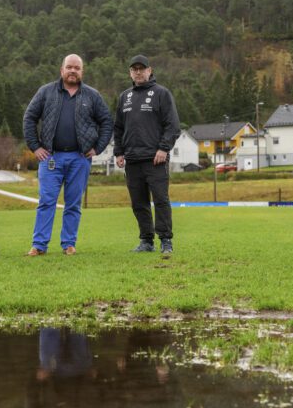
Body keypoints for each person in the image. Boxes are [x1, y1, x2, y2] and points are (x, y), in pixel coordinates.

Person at [23, 54, 113, 256]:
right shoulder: (46, 92)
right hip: (50, 158)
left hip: (80, 159)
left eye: (77, 68)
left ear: (82, 71)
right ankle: (39, 245)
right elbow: (29, 117)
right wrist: (35, 147)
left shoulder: (92, 96)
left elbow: (107, 121)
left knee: (73, 203)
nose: (73, 71)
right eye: (69, 67)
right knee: (46, 201)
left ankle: (69, 244)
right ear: (62, 70)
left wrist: (97, 148)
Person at [113, 55, 181, 254]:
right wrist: (119, 152)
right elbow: (118, 128)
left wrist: (163, 148)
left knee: (161, 200)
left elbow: (172, 125)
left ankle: (166, 241)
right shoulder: (124, 97)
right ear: (130, 73)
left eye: (142, 68)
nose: (138, 72)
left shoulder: (162, 94)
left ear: (150, 70)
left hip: (155, 159)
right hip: (132, 160)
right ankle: (146, 241)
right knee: (139, 203)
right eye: (134, 69)